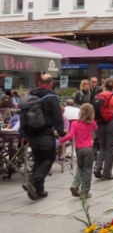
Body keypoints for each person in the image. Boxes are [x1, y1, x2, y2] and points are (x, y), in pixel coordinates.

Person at [21, 73, 66, 201]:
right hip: (45, 133)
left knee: (39, 160)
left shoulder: (29, 96)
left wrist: (24, 134)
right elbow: (57, 116)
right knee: (49, 159)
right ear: (50, 83)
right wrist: (61, 131)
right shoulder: (51, 96)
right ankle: (32, 181)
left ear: (39, 83)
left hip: (32, 135)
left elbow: (22, 116)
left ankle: (39, 190)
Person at [60, 102, 97, 200]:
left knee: (80, 168)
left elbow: (70, 136)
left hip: (78, 149)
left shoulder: (75, 124)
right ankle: (84, 192)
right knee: (88, 170)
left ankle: (75, 184)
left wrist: (61, 140)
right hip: (88, 148)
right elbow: (96, 129)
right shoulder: (92, 122)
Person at [93, 78, 113, 181]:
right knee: (110, 148)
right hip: (111, 123)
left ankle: (97, 166)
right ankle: (107, 173)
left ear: (104, 85)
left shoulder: (98, 96)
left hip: (100, 123)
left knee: (102, 147)